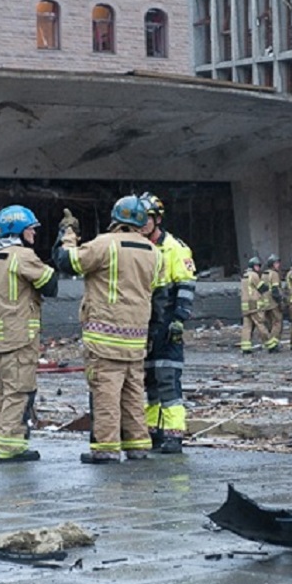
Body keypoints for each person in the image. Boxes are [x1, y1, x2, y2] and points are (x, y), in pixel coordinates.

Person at [53, 198, 164, 464]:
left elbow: (67, 262)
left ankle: (106, 449)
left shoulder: (105, 244)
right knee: (133, 393)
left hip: (104, 338)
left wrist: (67, 235)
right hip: (136, 337)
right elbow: (156, 291)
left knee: (106, 393)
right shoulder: (153, 252)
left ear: (116, 219)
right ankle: (138, 445)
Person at [0, 205, 57, 463]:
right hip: (19, 338)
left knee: (2, 392)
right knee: (19, 393)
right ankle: (12, 448)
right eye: (31, 229)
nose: (34, 234)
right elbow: (51, 285)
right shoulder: (22, 256)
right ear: (19, 230)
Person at [140, 192, 197, 454]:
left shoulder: (175, 248)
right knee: (150, 381)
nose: (141, 224)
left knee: (167, 379)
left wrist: (178, 320)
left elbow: (185, 286)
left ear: (157, 219)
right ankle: (153, 430)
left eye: (146, 219)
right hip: (145, 324)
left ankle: (174, 434)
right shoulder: (138, 247)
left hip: (166, 322)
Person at [240, 256, 273, 353]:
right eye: (257, 266)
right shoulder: (253, 275)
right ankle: (270, 344)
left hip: (245, 306)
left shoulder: (244, 275)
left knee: (247, 326)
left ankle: (245, 347)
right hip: (254, 305)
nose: (258, 268)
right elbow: (261, 287)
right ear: (253, 266)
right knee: (260, 324)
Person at [262, 254, 284, 352]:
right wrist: (280, 301)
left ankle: (267, 343)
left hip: (264, 302)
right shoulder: (274, 274)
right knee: (277, 322)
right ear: (272, 264)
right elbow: (275, 290)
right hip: (273, 302)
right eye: (276, 263)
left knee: (269, 323)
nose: (278, 265)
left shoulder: (264, 274)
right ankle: (273, 344)